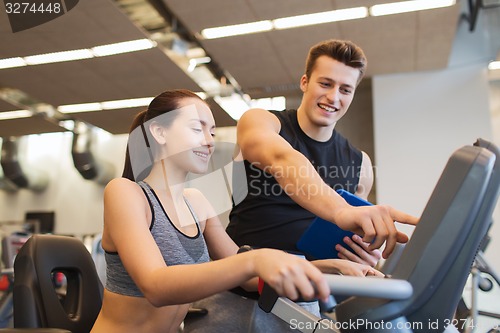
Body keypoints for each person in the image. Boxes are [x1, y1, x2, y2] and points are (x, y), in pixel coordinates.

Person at [90, 89, 357, 333]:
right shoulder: (126, 192)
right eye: (197, 129)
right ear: (159, 132)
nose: (209, 142)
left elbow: (249, 279)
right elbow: (156, 286)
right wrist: (255, 259)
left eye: (213, 133)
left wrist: (325, 267)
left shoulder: (196, 202)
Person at [226, 39, 419, 270]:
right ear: (305, 82)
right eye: (326, 84)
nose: (333, 97)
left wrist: (366, 255)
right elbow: (283, 161)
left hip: (312, 293)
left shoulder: (360, 164)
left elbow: (355, 242)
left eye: (345, 89)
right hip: (242, 283)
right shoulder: (261, 121)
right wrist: (342, 211)